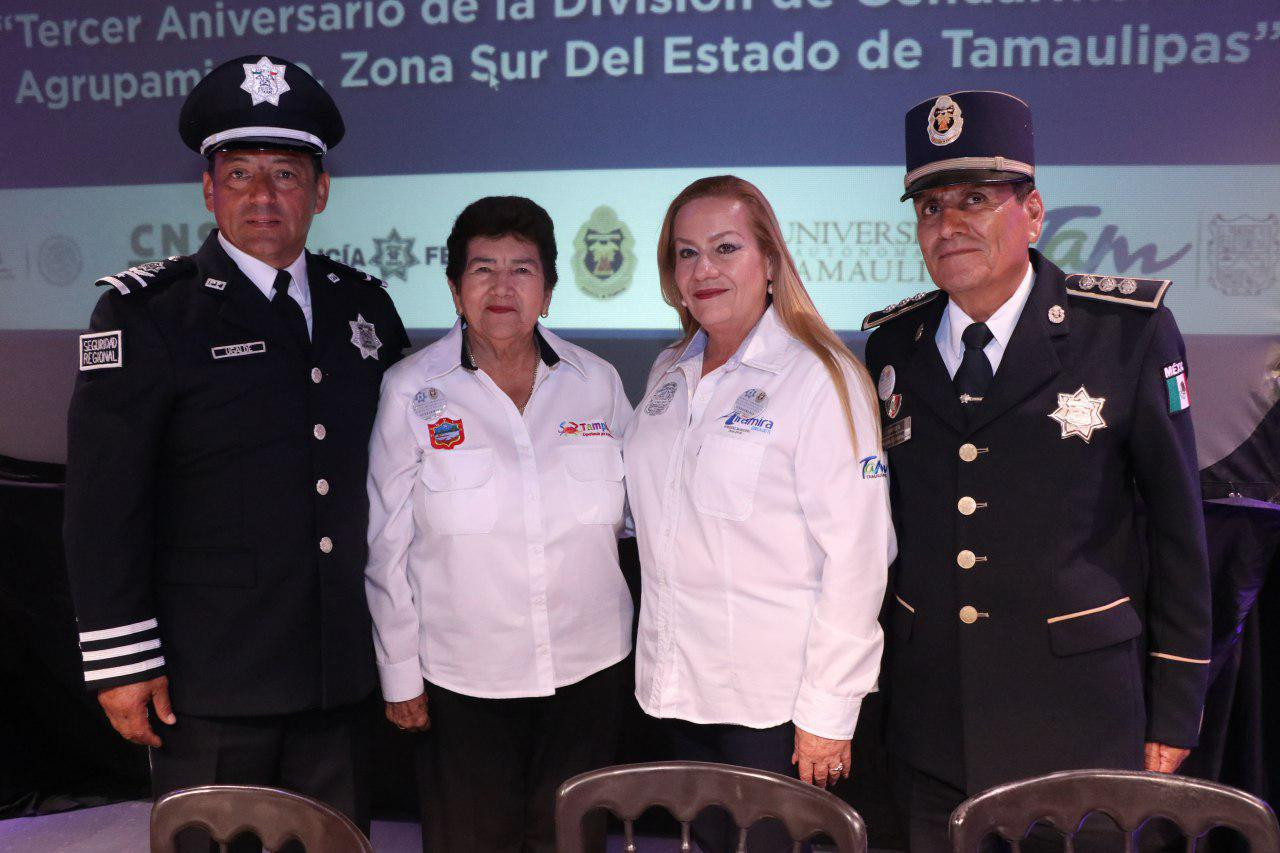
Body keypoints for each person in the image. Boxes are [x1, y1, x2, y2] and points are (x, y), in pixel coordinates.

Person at [63, 55, 408, 841]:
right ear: (209, 190)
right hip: (209, 679)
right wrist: (120, 658)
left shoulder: (365, 307)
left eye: (286, 173)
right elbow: (103, 504)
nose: (263, 195)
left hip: (336, 672)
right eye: (241, 172)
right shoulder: (149, 314)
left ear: (320, 191)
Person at [862, 90, 1211, 851]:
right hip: (932, 727)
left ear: (1034, 211)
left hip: (1079, 724)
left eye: (975, 200)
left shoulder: (1124, 332)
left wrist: (1176, 705)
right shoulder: (893, 347)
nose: (947, 224)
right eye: (929, 206)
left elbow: (1181, 533)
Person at [623, 175, 896, 852]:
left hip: (774, 713)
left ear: (770, 261)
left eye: (725, 247)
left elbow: (860, 556)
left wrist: (828, 712)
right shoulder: (666, 373)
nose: (704, 269)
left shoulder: (819, 376)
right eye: (686, 253)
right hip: (679, 692)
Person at [364, 196, 634, 853]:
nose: (503, 286)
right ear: (455, 287)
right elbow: (386, 544)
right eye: (483, 269)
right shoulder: (411, 390)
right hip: (464, 685)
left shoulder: (596, 382)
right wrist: (400, 675)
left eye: (522, 269)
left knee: (574, 842)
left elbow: (638, 523)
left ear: (549, 288)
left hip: (589, 673)